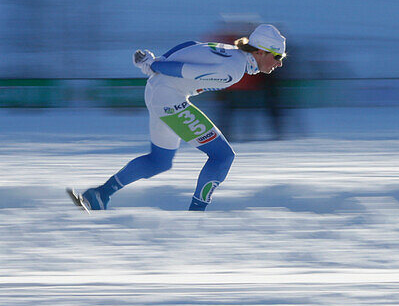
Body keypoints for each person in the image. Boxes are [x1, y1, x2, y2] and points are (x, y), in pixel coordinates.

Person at [68, 24, 287, 212]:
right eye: (277, 56)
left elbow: (190, 45)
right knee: (222, 156)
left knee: (158, 161)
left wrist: (158, 61)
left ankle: (99, 195)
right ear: (260, 52)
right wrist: (153, 65)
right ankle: (195, 216)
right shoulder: (234, 69)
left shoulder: (232, 53)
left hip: (160, 92)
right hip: (168, 97)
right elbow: (184, 70)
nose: (279, 63)